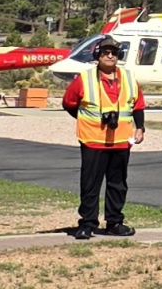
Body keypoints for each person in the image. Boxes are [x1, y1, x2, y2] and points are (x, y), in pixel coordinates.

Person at [61, 39, 146, 241]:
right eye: (106, 52)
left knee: (118, 184)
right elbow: (69, 103)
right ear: (97, 56)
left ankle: (114, 223)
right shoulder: (85, 78)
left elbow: (138, 105)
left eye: (114, 52)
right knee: (90, 185)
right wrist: (84, 118)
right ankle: (87, 224)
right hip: (93, 140)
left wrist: (140, 127)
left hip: (121, 141)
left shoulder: (128, 78)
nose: (110, 56)